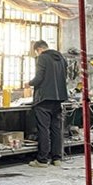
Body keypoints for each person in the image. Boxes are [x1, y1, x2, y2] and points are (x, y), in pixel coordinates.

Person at [24, 40, 68, 168]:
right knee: (56, 129)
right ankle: (57, 158)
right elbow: (64, 77)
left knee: (43, 128)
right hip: (58, 99)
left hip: (44, 99)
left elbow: (39, 77)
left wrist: (29, 84)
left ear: (39, 49)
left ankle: (42, 160)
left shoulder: (42, 58)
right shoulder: (61, 58)